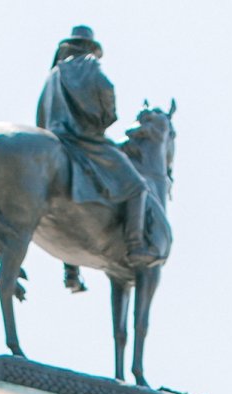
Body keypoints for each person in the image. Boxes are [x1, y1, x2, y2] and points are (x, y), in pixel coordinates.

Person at [36, 25, 159, 294]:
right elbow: (106, 88)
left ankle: (70, 268)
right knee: (137, 187)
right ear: (89, 48)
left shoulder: (52, 74)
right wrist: (106, 118)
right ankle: (136, 244)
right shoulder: (88, 64)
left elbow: (40, 118)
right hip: (83, 138)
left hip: (54, 139)